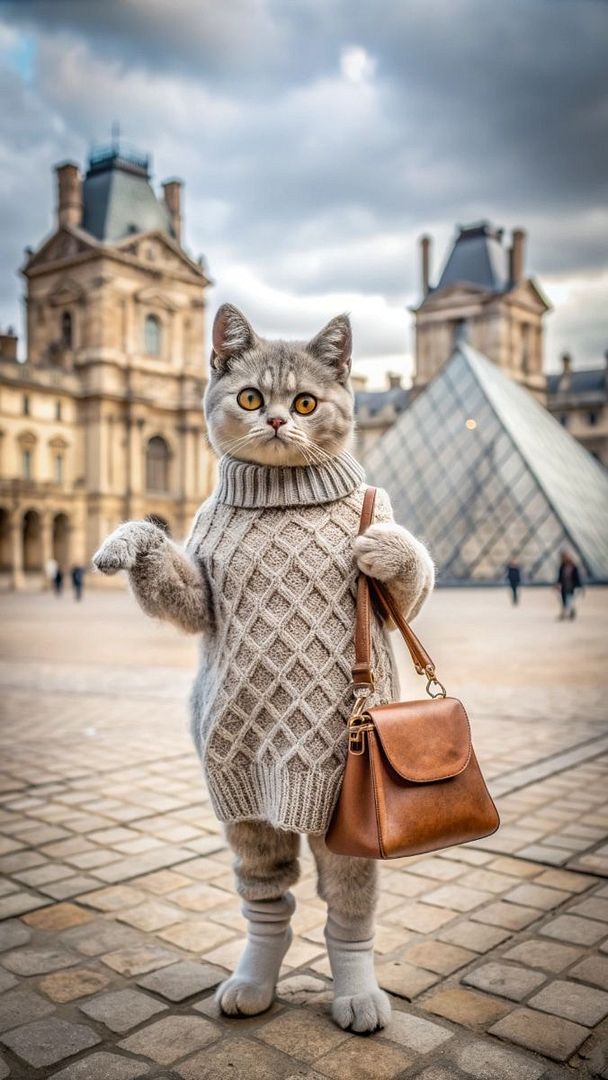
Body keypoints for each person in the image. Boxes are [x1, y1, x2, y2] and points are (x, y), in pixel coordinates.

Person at [93, 305, 435, 1036]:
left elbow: (405, 597)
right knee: (257, 847)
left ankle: (352, 955)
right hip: (239, 722)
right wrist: (151, 554)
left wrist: (405, 559)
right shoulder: (215, 514)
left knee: (347, 853)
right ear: (220, 381)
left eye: (304, 402)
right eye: (253, 399)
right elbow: (193, 610)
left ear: (341, 388)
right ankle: (265, 942)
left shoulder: (361, 503)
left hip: (341, 727)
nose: (278, 417)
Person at [556, 550, 581, 620]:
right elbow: (560, 577)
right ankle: (567, 613)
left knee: (570, 600)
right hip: (564, 586)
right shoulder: (562, 566)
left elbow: (577, 577)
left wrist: (578, 586)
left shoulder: (574, 567)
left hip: (572, 586)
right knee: (564, 600)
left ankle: (569, 613)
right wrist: (558, 584)